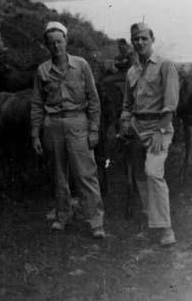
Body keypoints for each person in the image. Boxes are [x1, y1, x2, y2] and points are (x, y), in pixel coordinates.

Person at [31, 21, 106, 239]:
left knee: (86, 174)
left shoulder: (81, 65)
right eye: (51, 43)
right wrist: (35, 133)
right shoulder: (43, 71)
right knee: (58, 174)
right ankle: (62, 216)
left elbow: (93, 99)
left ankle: (96, 222)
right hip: (52, 125)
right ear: (47, 45)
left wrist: (94, 130)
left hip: (78, 124)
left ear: (66, 41)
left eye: (59, 41)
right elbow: (37, 104)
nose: (56, 46)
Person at [120, 22, 179, 245]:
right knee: (139, 175)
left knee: (153, 172)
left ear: (152, 39)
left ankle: (166, 229)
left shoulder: (165, 66)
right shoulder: (132, 72)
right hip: (137, 127)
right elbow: (126, 104)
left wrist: (160, 131)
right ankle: (151, 218)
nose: (140, 42)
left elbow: (171, 104)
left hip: (159, 128)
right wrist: (125, 122)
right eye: (136, 39)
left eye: (144, 38)